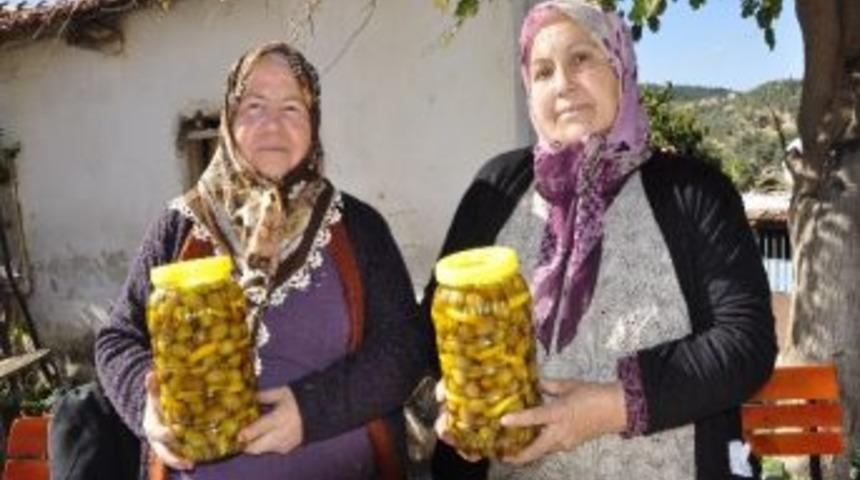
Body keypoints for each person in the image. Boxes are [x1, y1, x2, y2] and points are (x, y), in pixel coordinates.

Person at [427, 1, 777, 479]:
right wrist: (460, 397)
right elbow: (437, 323)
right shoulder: (498, 187)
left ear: (620, 67)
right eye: (543, 70)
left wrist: (613, 406)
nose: (564, 84)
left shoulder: (693, 193)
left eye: (581, 58)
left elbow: (745, 343)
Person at [95, 42, 431, 480]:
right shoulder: (180, 226)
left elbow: (404, 349)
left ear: (314, 123)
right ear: (230, 122)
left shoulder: (358, 228)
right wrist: (146, 409)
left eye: (292, 107)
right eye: (254, 106)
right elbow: (117, 338)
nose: (272, 123)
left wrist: (311, 412)